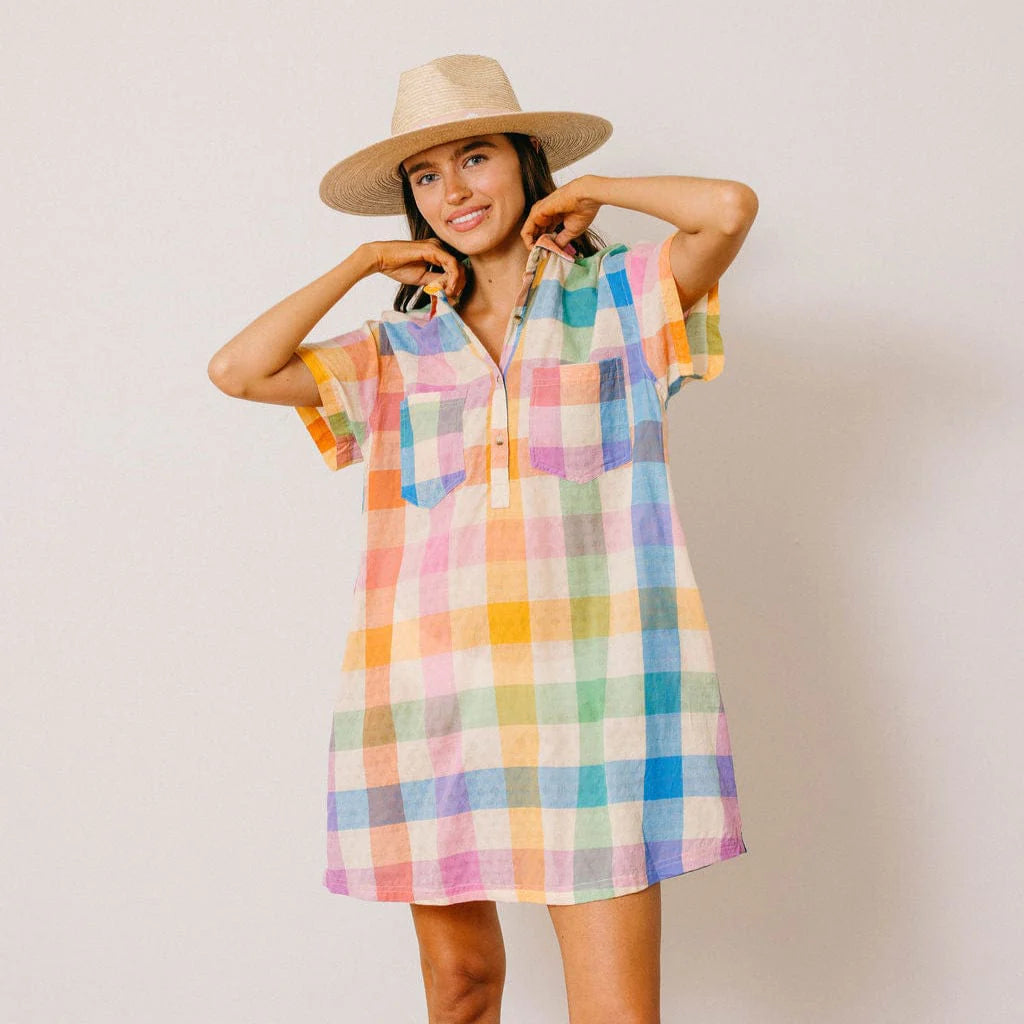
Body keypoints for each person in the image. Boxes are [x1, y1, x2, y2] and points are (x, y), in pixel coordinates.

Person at [208, 53, 758, 1024]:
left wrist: (596, 190)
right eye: (425, 176)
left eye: (475, 158)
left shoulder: (623, 297)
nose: (453, 191)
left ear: (525, 162)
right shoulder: (396, 347)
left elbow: (728, 208)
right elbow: (239, 370)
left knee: (617, 1014)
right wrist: (362, 263)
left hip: (593, 701)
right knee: (461, 990)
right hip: (434, 703)